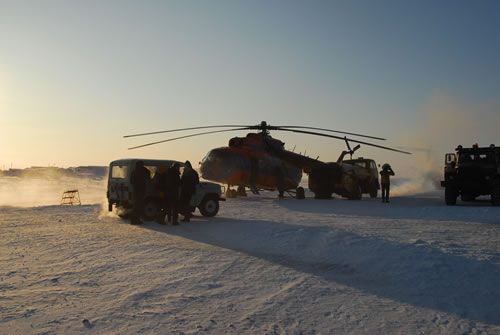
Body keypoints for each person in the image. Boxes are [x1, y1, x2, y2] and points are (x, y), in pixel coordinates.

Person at [130, 160, 150, 224]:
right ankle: (136, 220)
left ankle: (134, 220)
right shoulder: (143, 171)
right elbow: (148, 174)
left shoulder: (133, 172)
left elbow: (131, 181)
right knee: (138, 206)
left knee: (135, 206)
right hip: (140, 190)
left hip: (135, 190)